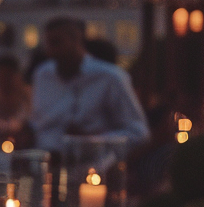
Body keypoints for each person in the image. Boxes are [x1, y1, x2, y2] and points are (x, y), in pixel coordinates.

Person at [28, 17, 149, 155]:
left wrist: (92, 141)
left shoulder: (110, 77)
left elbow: (139, 134)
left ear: (76, 40)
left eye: (56, 43)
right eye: (48, 44)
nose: (51, 52)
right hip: (43, 159)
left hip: (91, 166)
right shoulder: (43, 74)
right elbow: (38, 123)